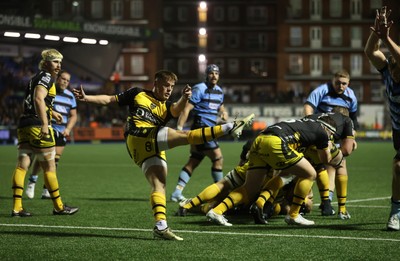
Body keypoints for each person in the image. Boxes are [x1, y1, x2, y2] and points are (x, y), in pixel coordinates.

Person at [72, 70, 255, 240]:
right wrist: (87, 98)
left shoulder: (166, 106)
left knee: (159, 184)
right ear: (156, 83)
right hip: (139, 135)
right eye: (166, 85)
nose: (169, 90)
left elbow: (175, 110)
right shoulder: (137, 93)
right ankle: (231, 126)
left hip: (143, 149)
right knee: (187, 136)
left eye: (171, 87)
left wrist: (184, 98)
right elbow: (109, 99)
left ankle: (160, 226)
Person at [205, 115, 342, 226]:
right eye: (332, 134)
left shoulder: (306, 123)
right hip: (276, 142)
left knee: (250, 188)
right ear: (327, 128)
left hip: (260, 139)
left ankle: (217, 211)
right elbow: (325, 160)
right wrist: (329, 147)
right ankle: (293, 215)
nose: (331, 138)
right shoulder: (322, 133)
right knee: (310, 174)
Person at [11, 49, 79, 217]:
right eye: (55, 62)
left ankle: (17, 207)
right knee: (49, 167)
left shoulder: (34, 78)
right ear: (46, 62)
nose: (59, 65)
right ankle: (59, 207)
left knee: (22, 166)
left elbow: (31, 101)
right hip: (37, 125)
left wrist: (51, 112)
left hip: (24, 124)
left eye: (60, 62)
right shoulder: (46, 77)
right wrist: (44, 123)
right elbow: (38, 99)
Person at [304, 69, 359, 219]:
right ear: (332, 81)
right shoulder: (322, 90)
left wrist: (352, 138)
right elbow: (308, 107)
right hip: (321, 134)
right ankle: (326, 201)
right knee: (330, 165)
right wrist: (312, 126)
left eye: (344, 84)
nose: (340, 86)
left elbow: (353, 118)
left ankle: (325, 201)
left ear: (348, 84)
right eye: (337, 83)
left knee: (330, 165)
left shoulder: (351, 96)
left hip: (337, 134)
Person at [364, 6, 400, 231]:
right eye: (394, 68)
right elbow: (370, 52)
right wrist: (376, 35)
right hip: (399, 130)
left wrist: (387, 37)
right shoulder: (388, 71)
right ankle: (396, 212)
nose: (395, 72)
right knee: (398, 168)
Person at [171, 64, 228, 202]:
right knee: (218, 159)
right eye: (211, 73)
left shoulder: (219, 91)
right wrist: (179, 128)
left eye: (216, 73)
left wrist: (224, 113)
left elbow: (221, 107)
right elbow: (186, 109)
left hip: (209, 130)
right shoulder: (200, 88)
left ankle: (176, 193)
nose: (214, 76)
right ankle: (220, 191)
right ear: (206, 75)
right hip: (201, 129)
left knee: (194, 160)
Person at [25, 70, 77, 199]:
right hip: (47, 128)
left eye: (67, 80)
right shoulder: (48, 89)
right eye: (63, 79)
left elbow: (74, 116)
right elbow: (40, 103)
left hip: (61, 131)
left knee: (55, 161)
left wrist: (68, 129)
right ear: (58, 78)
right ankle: (32, 181)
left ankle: (46, 190)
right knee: (43, 158)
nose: (65, 82)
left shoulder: (70, 96)